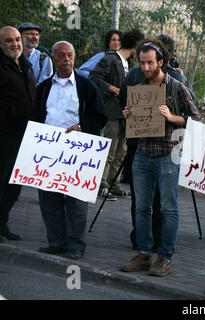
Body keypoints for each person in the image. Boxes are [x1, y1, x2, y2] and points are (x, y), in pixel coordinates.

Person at [119, 39, 199, 276]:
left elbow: (195, 119)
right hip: (142, 153)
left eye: (149, 63)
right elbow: (134, 120)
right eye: (142, 63)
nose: (145, 68)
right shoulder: (139, 88)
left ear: (161, 62)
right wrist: (128, 115)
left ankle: (165, 257)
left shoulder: (176, 87)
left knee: (168, 208)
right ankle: (143, 253)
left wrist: (171, 117)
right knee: (141, 207)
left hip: (167, 155)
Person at [34, 41, 107, 260]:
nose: (66, 60)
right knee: (49, 197)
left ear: (74, 58)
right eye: (61, 56)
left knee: (76, 200)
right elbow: (35, 115)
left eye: (70, 55)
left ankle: (76, 245)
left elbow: (100, 116)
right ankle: (55, 242)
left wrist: (82, 128)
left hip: (77, 150)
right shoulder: (44, 88)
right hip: (48, 149)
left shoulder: (85, 86)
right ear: (54, 59)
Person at [90, 29, 144, 200]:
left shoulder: (130, 65)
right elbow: (94, 77)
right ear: (135, 45)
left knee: (121, 150)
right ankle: (101, 184)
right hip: (112, 111)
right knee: (109, 149)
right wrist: (112, 89)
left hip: (126, 113)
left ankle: (114, 184)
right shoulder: (110, 59)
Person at [0, 26, 36, 242]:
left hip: (24, 135)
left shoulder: (25, 64)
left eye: (16, 40)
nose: (14, 44)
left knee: (14, 185)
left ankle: (2, 223)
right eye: (8, 41)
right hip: (4, 134)